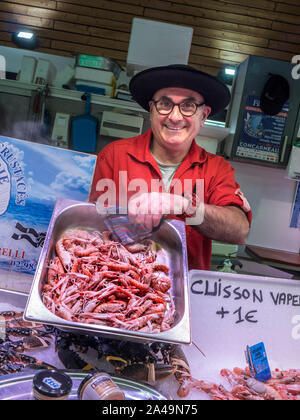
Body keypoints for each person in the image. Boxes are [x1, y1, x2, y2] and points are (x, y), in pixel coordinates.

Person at [89, 64, 252, 270]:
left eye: (188, 106)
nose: (175, 117)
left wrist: (184, 206)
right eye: (165, 104)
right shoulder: (114, 156)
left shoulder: (216, 169)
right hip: (119, 285)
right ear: (151, 110)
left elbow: (240, 231)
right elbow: (91, 226)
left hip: (184, 291)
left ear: (203, 115)